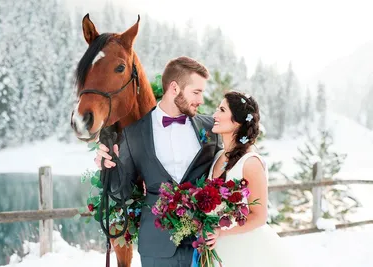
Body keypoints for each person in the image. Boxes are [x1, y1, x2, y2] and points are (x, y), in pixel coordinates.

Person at [95, 56, 222, 267]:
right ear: (174, 88)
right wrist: (107, 167)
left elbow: (229, 171)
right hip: (156, 245)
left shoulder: (211, 129)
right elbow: (120, 191)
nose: (201, 100)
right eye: (196, 92)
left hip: (206, 245)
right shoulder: (134, 134)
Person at [206, 91, 297, 267]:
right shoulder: (217, 156)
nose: (215, 115)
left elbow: (259, 216)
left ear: (238, 121)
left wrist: (221, 232)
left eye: (222, 110)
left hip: (245, 250)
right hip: (219, 249)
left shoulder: (250, 162)